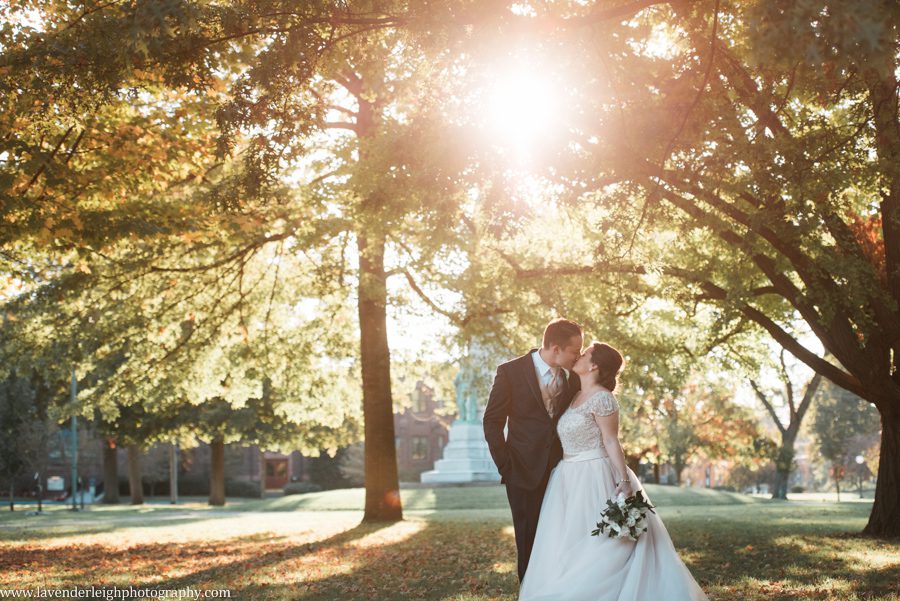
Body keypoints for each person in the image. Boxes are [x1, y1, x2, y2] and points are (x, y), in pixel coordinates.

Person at [518, 342, 708, 601]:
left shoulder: (603, 398)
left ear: (594, 365)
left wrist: (623, 481)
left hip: (594, 474)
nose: (579, 355)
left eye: (584, 354)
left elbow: (611, 441)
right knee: (569, 539)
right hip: (567, 475)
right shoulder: (574, 395)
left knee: (599, 541)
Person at [483, 318, 584, 583]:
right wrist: (505, 464)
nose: (579, 356)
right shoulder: (510, 372)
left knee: (559, 536)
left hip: (561, 470)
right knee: (528, 539)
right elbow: (492, 421)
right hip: (522, 471)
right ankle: (528, 591)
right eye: (575, 350)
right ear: (555, 348)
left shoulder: (573, 378)